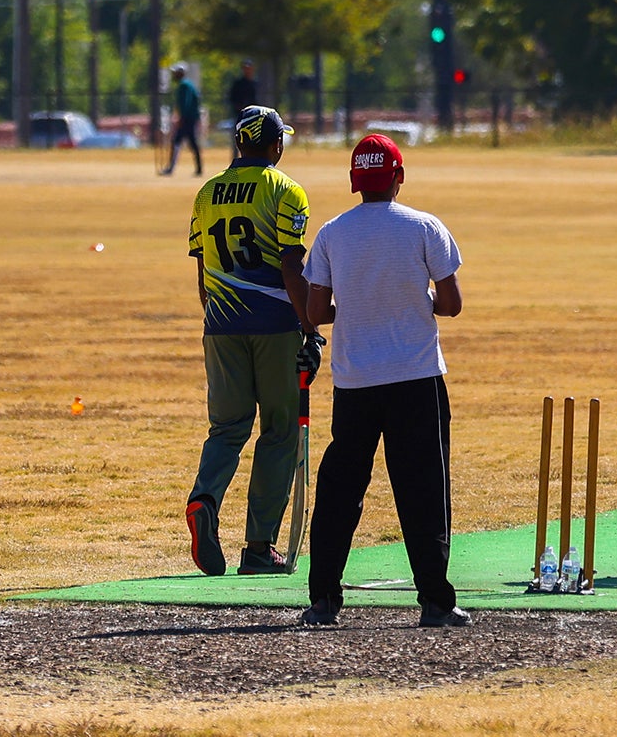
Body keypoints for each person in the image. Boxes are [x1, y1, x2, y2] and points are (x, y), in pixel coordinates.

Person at [298, 133, 469, 628]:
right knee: (423, 488)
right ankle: (436, 601)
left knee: (340, 489)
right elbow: (453, 304)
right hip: (416, 377)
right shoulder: (423, 227)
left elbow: (315, 312)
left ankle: (323, 600)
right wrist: (415, 302)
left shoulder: (333, 232)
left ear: (355, 182)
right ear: (399, 176)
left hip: (355, 381)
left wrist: (356, 304)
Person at [184, 106, 318, 576]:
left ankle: (204, 500)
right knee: (279, 432)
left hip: (219, 325)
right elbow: (291, 267)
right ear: (275, 144)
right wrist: (310, 329)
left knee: (227, 428)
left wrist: (219, 318)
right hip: (275, 325)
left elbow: (203, 275)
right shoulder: (286, 190)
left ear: (240, 144)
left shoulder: (207, 193)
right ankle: (259, 546)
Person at [165, 63, 203, 176]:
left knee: (178, 141)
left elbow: (185, 103)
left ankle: (171, 168)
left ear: (180, 73)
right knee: (191, 143)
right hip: (190, 118)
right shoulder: (189, 84)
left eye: (175, 73)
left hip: (187, 119)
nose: (174, 75)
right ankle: (199, 168)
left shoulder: (184, 85)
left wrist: (182, 117)